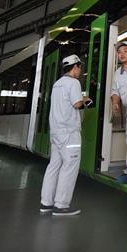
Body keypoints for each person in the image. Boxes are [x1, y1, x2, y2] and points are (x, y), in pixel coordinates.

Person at [40, 54, 91, 216]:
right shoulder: (73, 82)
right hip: (69, 133)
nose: (80, 71)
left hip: (56, 132)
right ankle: (61, 205)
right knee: (69, 167)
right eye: (79, 67)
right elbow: (76, 104)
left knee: (53, 167)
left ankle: (46, 203)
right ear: (75, 66)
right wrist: (85, 100)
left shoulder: (57, 84)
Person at [110, 41, 127, 185]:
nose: (122, 54)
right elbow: (115, 91)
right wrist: (115, 102)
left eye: (125, 51)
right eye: (120, 52)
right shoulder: (117, 73)